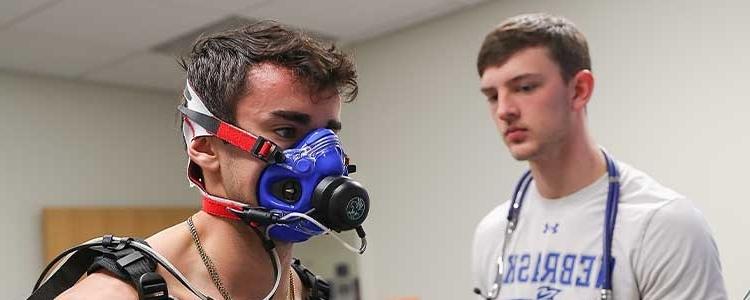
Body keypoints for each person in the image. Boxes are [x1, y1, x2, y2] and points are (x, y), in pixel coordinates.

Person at [50, 21, 367, 300]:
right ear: (206, 148)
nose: (324, 159)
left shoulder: (310, 291)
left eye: (328, 134)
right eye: (285, 130)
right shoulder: (111, 296)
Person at [471, 13, 727, 299]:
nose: (504, 110)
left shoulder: (663, 226)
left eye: (525, 87)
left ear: (579, 90)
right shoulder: (493, 234)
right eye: (493, 96)